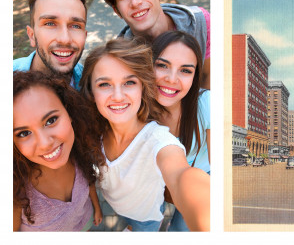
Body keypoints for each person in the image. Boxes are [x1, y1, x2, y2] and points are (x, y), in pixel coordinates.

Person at [79, 38, 210, 231]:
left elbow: (180, 174)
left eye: (129, 82)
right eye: (105, 84)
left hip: (146, 219)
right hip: (119, 208)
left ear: (143, 87)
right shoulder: (93, 131)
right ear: (91, 91)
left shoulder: (158, 140)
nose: (117, 96)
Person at [13, 71, 105, 231]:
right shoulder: (15, 191)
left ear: (68, 113)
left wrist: (96, 206)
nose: (44, 144)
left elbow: (89, 181)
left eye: (51, 120)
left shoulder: (78, 151)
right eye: (24, 133)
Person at [97, 0, 210, 89]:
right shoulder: (120, 57)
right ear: (117, 11)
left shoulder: (200, 23)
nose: (135, 2)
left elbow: (210, 78)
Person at [152, 31, 210, 231]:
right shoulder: (134, 108)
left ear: (195, 76)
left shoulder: (206, 103)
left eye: (185, 70)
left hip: (202, 181)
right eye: (162, 65)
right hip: (156, 187)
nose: (171, 79)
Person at [13, 0, 88, 90]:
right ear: (32, 35)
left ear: (85, 36)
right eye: (50, 24)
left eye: (76, 26)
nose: (65, 39)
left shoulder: (92, 86)